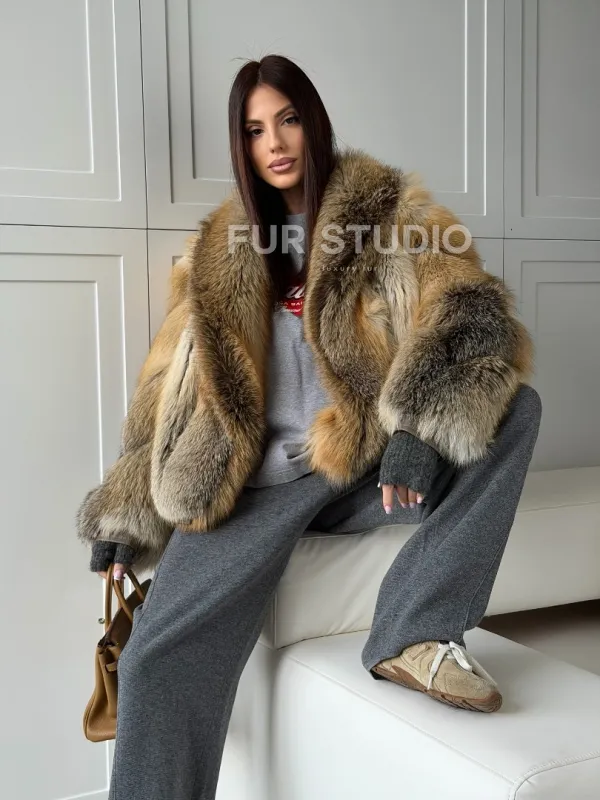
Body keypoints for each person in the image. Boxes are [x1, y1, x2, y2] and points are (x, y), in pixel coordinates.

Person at [77, 54, 542, 798]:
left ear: (313, 122)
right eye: (255, 129)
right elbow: (167, 389)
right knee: (153, 663)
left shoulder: (393, 217)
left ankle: (416, 631)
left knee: (518, 408)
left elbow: (474, 317)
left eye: (288, 119)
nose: (275, 142)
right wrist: (125, 515)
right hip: (250, 486)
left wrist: (418, 435)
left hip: (358, 468)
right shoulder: (216, 255)